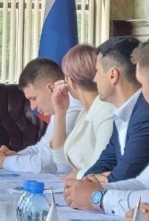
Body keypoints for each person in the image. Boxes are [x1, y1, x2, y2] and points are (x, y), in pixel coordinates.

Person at [64, 35, 149, 216]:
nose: (140, 95)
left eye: (142, 84)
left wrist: (98, 198)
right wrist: (94, 189)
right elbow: (144, 183)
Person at [83, 36, 149, 182]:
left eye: (97, 71)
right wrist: (87, 181)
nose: (94, 79)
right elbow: (106, 161)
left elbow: (126, 176)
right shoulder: (122, 112)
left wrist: (100, 181)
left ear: (113, 75)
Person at [0, 58, 82, 174]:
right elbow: (41, 148)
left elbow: (46, 164)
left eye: (34, 98)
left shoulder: (73, 109)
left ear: (51, 89)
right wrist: (13, 156)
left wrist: (2, 161)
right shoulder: (60, 108)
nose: (32, 107)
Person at [49, 44, 115, 179]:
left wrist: (77, 175)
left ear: (70, 81)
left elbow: (100, 168)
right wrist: (60, 113)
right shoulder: (86, 110)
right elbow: (61, 162)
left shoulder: (106, 110)